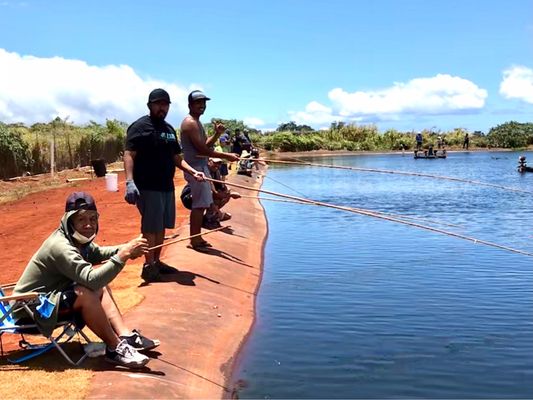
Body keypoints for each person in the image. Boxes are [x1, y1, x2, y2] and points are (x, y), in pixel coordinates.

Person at [12, 192, 158, 369]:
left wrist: (128, 247)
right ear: (69, 221)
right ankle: (114, 348)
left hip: (48, 301)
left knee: (98, 287)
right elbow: (92, 280)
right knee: (86, 293)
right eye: (81, 220)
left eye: (93, 219)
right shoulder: (61, 246)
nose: (88, 225)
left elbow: (98, 253)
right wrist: (123, 255)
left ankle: (125, 336)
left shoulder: (76, 240)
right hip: (31, 310)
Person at [123, 88, 206, 283]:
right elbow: (129, 154)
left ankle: (157, 262)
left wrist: (193, 171)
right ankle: (148, 265)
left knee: (161, 226)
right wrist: (129, 181)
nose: (162, 108)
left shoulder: (169, 130)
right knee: (150, 227)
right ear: (150, 105)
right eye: (158, 104)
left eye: (165, 104)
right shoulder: (140, 127)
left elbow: (176, 158)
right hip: (148, 186)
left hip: (166, 186)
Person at [179, 90, 240, 250]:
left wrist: (216, 134)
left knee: (204, 202)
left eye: (203, 103)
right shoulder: (190, 123)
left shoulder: (197, 122)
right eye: (198, 102)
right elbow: (202, 151)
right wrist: (227, 155)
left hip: (201, 166)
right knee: (199, 205)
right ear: (190, 105)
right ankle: (195, 240)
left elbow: (204, 145)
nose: (202, 105)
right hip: (195, 168)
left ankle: (197, 237)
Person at [203, 158, 241, 228]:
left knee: (225, 193)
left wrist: (230, 192)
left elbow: (222, 187)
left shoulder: (216, 172)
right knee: (211, 194)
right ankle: (211, 216)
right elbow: (213, 192)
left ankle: (211, 214)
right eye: (215, 163)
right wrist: (229, 194)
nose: (217, 165)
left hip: (208, 196)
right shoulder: (205, 171)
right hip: (192, 196)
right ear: (209, 162)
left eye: (219, 163)